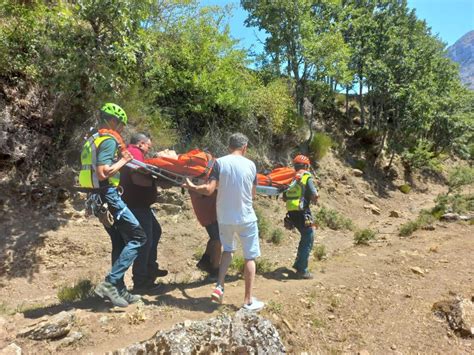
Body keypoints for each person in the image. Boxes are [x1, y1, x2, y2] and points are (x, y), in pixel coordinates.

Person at [183, 133, 264, 311]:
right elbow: (253, 195)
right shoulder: (251, 165)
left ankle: (219, 286)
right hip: (246, 217)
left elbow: (209, 189)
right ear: (244, 148)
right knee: (249, 257)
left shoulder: (219, 163)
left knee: (227, 251)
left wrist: (193, 187)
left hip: (225, 218)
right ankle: (248, 300)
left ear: (229, 147)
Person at [79, 103, 146, 307]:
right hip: (108, 195)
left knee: (119, 240)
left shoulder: (93, 139)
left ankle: (119, 290)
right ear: (113, 121)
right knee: (138, 236)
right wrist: (124, 161)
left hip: (96, 197)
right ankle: (109, 284)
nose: (122, 129)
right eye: (121, 125)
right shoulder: (108, 140)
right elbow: (103, 172)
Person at [118, 133, 168, 292]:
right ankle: (141, 281)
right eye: (148, 146)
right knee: (144, 241)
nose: (148, 150)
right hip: (136, 206)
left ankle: (150, 268)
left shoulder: (131, 153)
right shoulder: (135, 153)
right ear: (141, 144)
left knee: (155, 231)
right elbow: (138, 180)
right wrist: (157, 181)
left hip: (139, 205)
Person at [283, 154, 319, 280]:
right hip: (303, 211)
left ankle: (299, 264)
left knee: (305, 236)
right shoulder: (306, 176)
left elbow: (284, 197)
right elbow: (314, 194)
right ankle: (301, 269)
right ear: (306, 166)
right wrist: (315, 199)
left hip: (291, 212)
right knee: (308, 236)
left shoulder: (291, 177)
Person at [189, 191, 221, 278]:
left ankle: (205, 261)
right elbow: (206, 191)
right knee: (218, 240)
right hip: (208, 213)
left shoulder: (202, 179)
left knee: (215, 238)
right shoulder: (198, 180)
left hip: (210, 212)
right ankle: (215, 270)